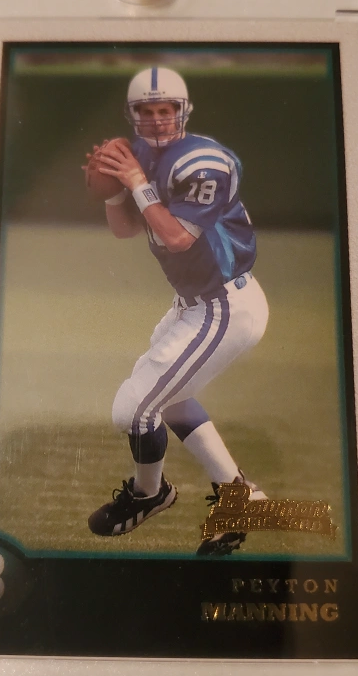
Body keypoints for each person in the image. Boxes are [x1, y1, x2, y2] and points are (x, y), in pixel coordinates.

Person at [83, 67, 269, 556]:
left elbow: (177, 236)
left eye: (164, 109)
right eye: (146, 110)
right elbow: (126, 228)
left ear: (181, 111)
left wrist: (135, 182)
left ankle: (150, 493)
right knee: (170, 399)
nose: (156, 119)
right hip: (194, 304)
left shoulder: (204, 162)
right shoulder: (140, 155)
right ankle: (240, 498)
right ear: (133, 113)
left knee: (133, 408)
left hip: (225, 305)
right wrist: (115, 192)